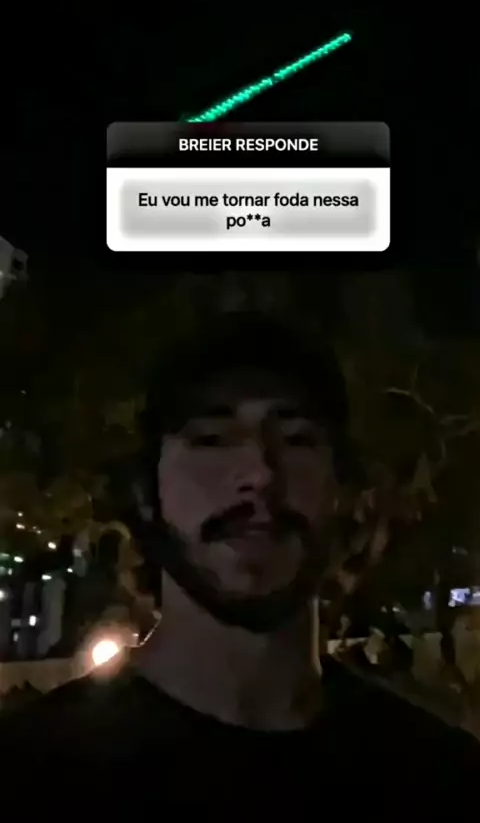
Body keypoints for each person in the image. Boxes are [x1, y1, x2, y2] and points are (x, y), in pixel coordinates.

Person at [1, 311, 479, 807]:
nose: (260, 474)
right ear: (145, 493)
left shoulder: (442, 778)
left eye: (296, 439)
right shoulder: (29, 777)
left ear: (344, 488)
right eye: (211, 439)